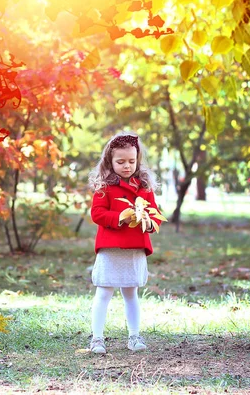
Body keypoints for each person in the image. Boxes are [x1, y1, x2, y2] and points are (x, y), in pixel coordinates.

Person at [87, 131, 163, 354]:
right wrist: (119, 218)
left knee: (131, 293)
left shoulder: (144, 186)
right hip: (111, 247)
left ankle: (134, 336)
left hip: (134, 247)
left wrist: (150, 222)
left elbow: (155, 213)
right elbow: (97, 214)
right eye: (120, 162)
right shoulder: (105, 186)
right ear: (110, 161)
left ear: (138, 159)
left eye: (131, 161)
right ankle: (97, 338)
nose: (127, 166)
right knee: (104, 292)